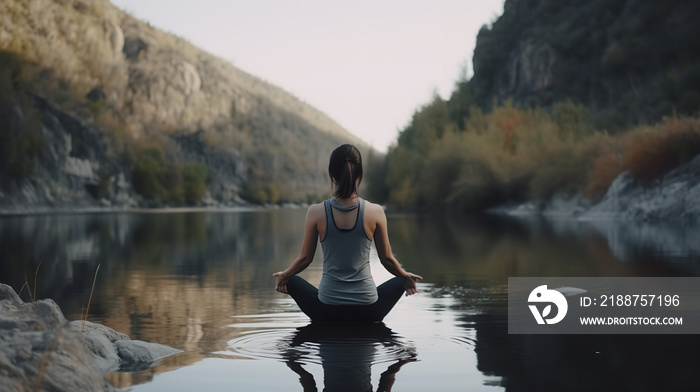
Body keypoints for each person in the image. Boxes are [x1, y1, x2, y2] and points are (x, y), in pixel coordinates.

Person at [273, 144, 422, 323]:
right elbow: (387, 260)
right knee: (400, 278)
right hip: (369, 311)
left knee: (291, 280)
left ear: (332, 174)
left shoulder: (316, 212)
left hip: (327, 311)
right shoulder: (375, 212)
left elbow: (305, 259)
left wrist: (285, 276)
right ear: (359, 174)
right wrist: (405, 276)